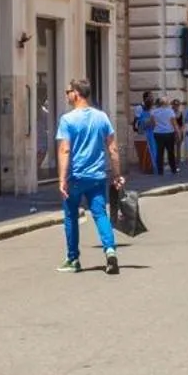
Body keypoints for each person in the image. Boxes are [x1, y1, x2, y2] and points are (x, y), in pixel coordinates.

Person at [56, 78, 124, 275]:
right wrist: (116, 174)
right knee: (100, 213)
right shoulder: (101, 117)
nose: (67, 95)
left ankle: (73, 259)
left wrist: (62, 179)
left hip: (75, 177)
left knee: (70, 216)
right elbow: (112, 148)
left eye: (68, 91)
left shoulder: (67, 120)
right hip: (97, 176)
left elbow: (65, 150)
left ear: (76, 93)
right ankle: (110, 250)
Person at [148, 97, 178, 175]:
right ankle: (173, 169)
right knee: (170, 152)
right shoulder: (170, 111)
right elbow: (174, 123)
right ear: (166, 103)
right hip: (169, 133)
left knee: (159, 152)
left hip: (158, 133)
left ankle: (160, 171)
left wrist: (158, 126)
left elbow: (152, 123)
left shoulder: (153, 112)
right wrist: (178, 132)